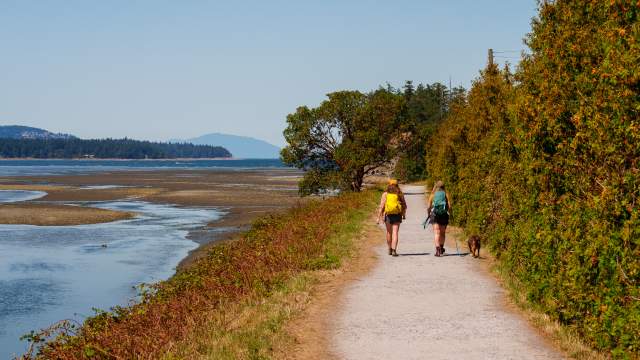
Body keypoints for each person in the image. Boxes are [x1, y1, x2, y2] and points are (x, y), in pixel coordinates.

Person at [377, 179, 407, 257]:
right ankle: (394, 250)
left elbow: (382, 206)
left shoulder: (385, 194)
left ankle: (389, 248)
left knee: (389, 232)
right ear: (397, 185)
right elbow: (404, 206)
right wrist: (404, 215)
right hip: (397, 215)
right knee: (395, 232)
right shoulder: (400, 193)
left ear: (389, 185)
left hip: (388, 215)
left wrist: (379, 217)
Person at [427, 180, 452, 257]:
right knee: (442, 233)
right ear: (443, 186)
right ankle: (441, 248)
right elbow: (450, 206)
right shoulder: (446, 194)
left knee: (436, 233)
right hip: (444, 215)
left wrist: (429, 214)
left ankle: (437, 250)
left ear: (436, 186)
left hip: (435, 215)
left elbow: (428, 207)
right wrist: (449, 213)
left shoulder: (433, 194)